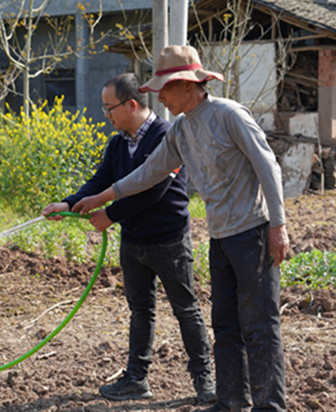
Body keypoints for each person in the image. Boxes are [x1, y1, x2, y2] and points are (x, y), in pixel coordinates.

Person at [72, 46, 289, 412]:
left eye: (165, 90)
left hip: (252, 231)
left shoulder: (228, 115)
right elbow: (148, 173)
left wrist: (278, 226)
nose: (160, 98)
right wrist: (103, 197)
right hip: (219, 238)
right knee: (225, 325)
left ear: (188, 86)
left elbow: (268, 167)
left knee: (260, 326)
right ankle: (231, 400)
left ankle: (270, 406)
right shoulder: (182, 130)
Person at [42, 72, 217, 404]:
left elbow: (154, 188)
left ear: (132, 104)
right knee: (140, 310)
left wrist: (110, 214)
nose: (106, 115)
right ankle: (136, 378)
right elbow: (101, 181)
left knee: (185, 308)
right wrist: (68, 202)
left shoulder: (166, 136)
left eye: (110, 108)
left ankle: (204, 380)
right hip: (133, 241)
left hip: (168, 241)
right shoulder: (119, 142)